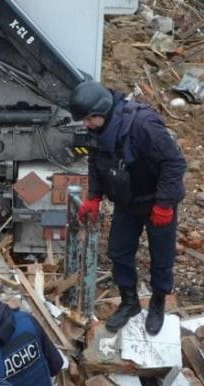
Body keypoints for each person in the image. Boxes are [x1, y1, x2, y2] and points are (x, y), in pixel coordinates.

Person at [70, 79, 187, 336]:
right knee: (118, 252)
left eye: (89, 119)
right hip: (127, 200)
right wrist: (94, 197)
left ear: (102, 111)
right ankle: (130, 301)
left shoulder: (143, 125)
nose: (85, 125)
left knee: (161, 257)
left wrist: (165, 204)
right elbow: (96, 163)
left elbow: (174, 163)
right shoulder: (98, 132)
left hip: (156, 201)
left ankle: (157, 303)